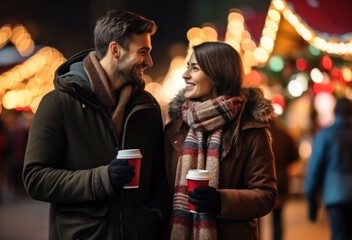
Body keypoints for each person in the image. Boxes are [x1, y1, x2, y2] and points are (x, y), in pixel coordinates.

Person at [23, 10, 171, 240]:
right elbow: (35, 179)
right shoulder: (58, 103)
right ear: (115, 50)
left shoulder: (147, 107)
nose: (149, 62)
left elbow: (159, 182)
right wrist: (102, 179)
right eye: (143, 52)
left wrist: (153, 221)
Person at [164, 41, 278, 240]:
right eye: (187, 67)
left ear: (217, 75)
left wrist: (220, 200)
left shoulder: (250, 130)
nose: (185, 75)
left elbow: (266, 195)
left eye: (195, 68)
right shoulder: (175, 128)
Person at [304, 96, 352, 240]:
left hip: (334, 195)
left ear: (335, 112)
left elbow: (314, 170)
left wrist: (312, 202)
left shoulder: (325, 135)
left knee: (338, 234)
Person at [268, 117, 300, 240]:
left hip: (258, 181)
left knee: (257, 217)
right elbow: (295, 159)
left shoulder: (257, 135)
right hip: (280, 182)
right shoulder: (285, 136)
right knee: (277, 217)